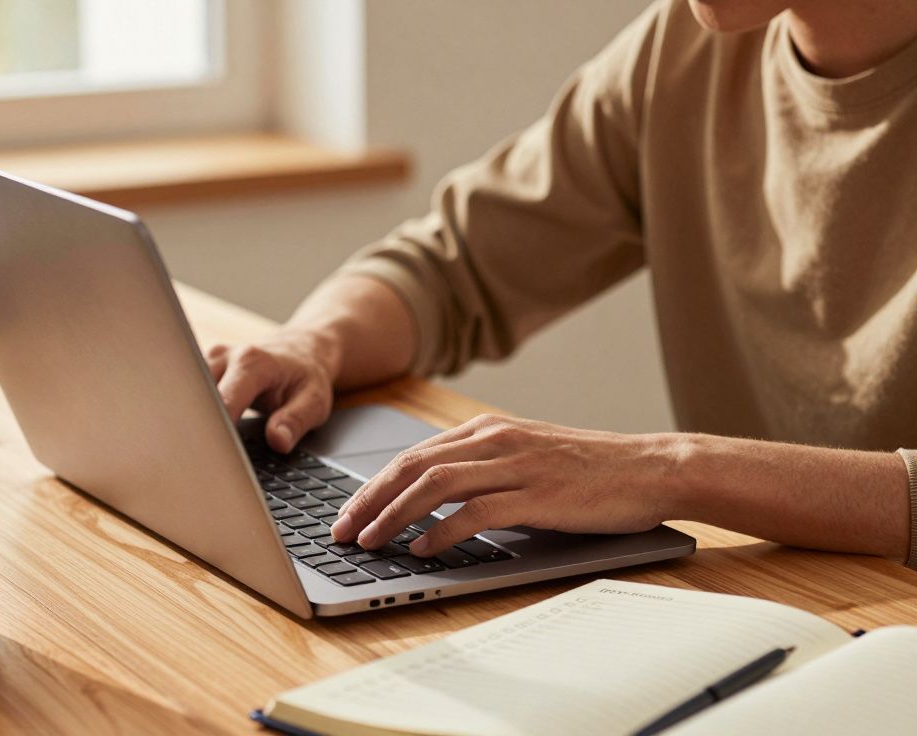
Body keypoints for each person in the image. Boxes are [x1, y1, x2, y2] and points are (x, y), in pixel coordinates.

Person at [207, 0, 917, 566]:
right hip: (792, 599)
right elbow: (451, 267)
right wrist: (314, 343)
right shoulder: (682, 49)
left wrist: (672, 469)